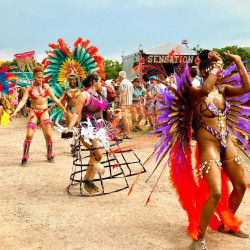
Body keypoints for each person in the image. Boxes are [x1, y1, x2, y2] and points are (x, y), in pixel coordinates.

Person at [188, 50, 249, 249]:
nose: (219, 73)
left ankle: (226, 223)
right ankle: (199, 238)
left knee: (240, 185)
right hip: (208, 145)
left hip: (226, 141)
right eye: (215, 70)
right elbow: (206, 88)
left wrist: (239, 62)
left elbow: (247, 87)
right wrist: (217, 64)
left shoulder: (223, 90)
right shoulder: (195, 90)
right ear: (206, 71)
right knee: (215, 193)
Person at [12, 66, 67, 167]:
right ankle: (25, 157)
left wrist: (63, 108)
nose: (41, 79)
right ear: (34, 77)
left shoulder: (46, 87)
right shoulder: (29, 88)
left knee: (48, 135)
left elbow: (54, 98)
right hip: (33, 112)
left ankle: (50, 155)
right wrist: (15, 111)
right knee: (29, 135)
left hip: (44, 111)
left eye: (42, 77)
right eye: (38, 77)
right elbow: (23, 101)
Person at [66, 73, 107, 194]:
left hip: (98, 130)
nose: (101, 83)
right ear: (93, 82)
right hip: (86, 131)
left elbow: (100, 115)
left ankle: (88, 182)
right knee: (98, 155)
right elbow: (76, 113)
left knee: (93, 156)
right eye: (99, 81)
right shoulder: (83, 95)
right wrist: (69, 129)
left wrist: (104, 126)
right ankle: (89, 179)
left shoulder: (99, 96)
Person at [118, 71, 133, 139]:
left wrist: (121, 104)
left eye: (119, 76)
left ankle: (128, 133)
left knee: (125, 118)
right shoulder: (129, 82)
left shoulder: (123, 83)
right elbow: (132, 92)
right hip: (129, 102)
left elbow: (123, 94)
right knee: (126, 118)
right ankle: (125, 132)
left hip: (124, 103)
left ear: (120, 76)